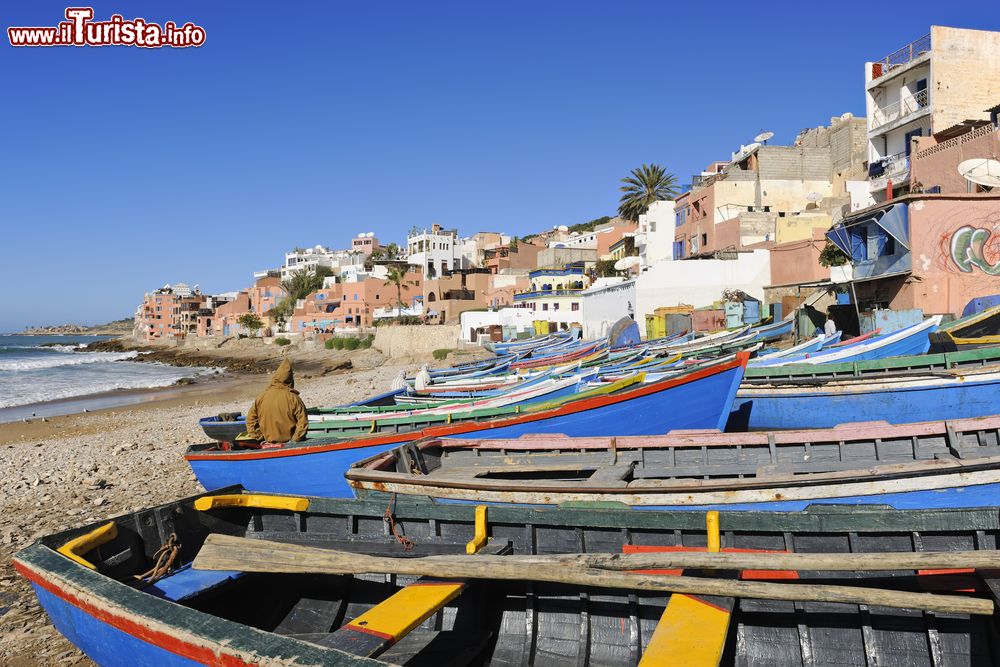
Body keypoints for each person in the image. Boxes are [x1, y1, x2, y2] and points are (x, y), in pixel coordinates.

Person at [245, 359, 309, 443]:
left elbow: (250, 421)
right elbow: (302, 423)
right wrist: (294, 441)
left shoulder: (261, 397)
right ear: (290, 379)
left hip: (268, 444)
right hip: (289, 443)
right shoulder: (294, 398)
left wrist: (260, 438)